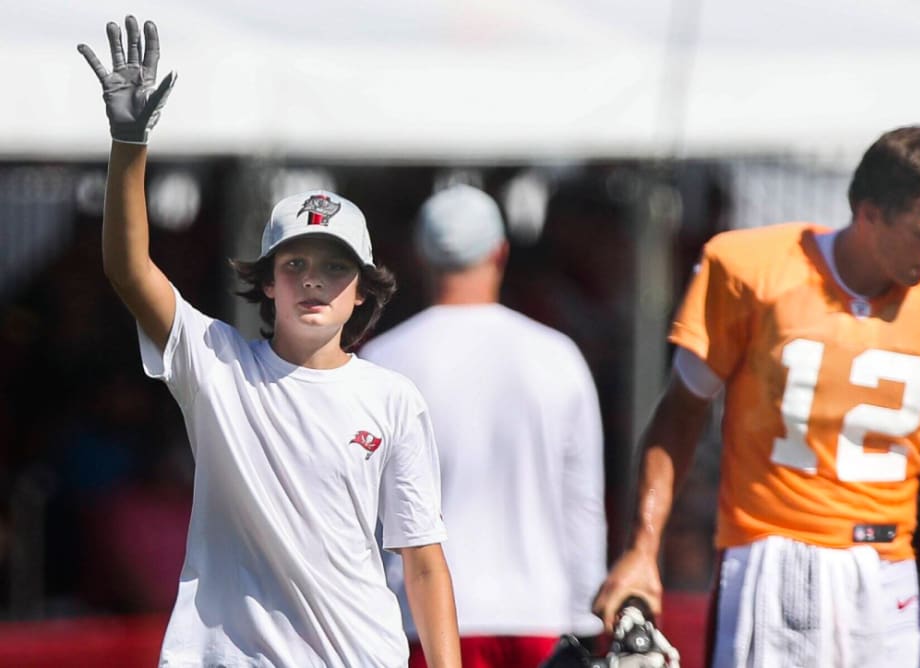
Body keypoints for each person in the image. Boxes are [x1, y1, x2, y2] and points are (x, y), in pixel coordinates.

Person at [591, 125, 920, 667]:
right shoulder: (752, 270)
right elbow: (681, 411)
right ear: (869, 215)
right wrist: (641, 550)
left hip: (888, 570)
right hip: (774, 559)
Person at [77, 16, 461, 667]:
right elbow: (128, 268)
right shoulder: (215, 364)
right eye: (295, 265)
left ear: (363, 290)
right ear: (268, 283)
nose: (314, 282)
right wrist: (128, 145)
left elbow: (422, 561)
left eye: (335, 268)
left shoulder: (393, 398)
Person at [360, 184, 607, 668]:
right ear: (500, 252)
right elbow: (582, 503)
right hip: (542, 616)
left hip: (423, 623)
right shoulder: (557, 355)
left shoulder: (382, 360)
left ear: (420, 256)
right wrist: (586, 616)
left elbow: (362, 513)